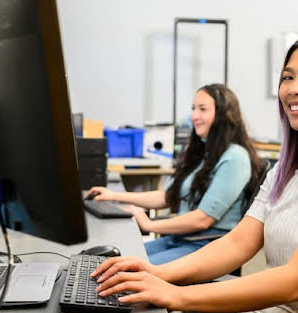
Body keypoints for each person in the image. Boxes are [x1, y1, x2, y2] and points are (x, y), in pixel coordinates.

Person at [91, 32, 298, 313]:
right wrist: (158, 274)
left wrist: (175, 294)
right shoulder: (289, 167)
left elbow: (296, 281)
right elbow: (238, 243)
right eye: (287, 77)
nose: (293, 88)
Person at [87, 84, 264, 265]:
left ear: (223, 115)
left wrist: (149, 224)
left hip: (206, 245)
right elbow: (166, 197)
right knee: (104, 261)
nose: (194, 116)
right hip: (181, 239)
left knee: (124, 268)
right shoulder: (203, 153)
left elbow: (202, 219)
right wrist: (115, 196)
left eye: (203, 109)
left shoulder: (235, 157)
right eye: (193, 109)